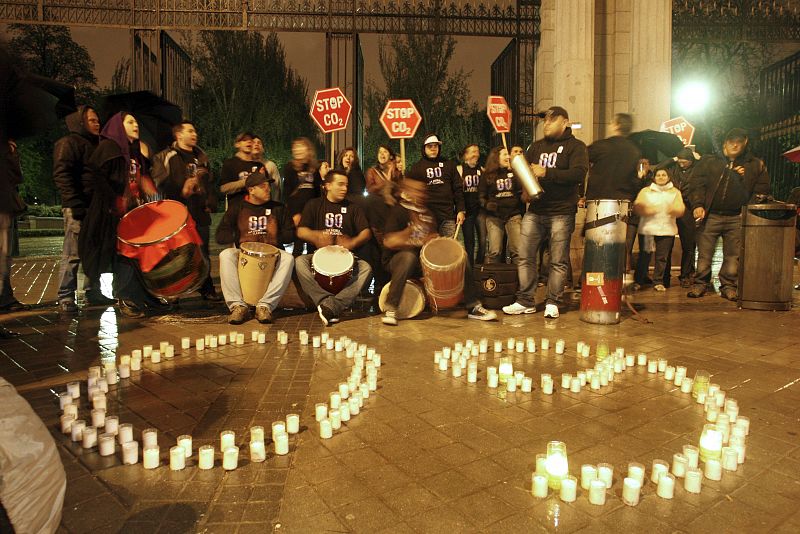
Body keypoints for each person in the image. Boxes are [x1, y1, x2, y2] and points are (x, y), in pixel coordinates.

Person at [503, 106, 589, 318]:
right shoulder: (536, 147)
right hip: (535, 210)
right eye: (545, 120)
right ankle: (525, 300)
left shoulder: (576, 146)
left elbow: (578, 174)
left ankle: (553, 301)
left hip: (561, 210)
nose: (547, 123)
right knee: (525, 256)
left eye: (552, 119)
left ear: (565, 122)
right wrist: (523, 189)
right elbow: (526, 174)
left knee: (558, 259)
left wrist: (547, 172)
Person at [79, 112, 164, 318]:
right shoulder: (109, 148)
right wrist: (113, 200)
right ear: (118, 125)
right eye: (130, 121)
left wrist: (154, 195)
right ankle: (126, 298)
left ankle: (143, 295)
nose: (136, 125)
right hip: (111, 213)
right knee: (124, 255)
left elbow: (142, 177)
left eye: (136, 121)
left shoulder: (134, 152)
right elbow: (95, 177)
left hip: (134, 212)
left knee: (139, 253)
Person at [380, 178, 497, 325]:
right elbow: (389, 241)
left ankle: (473, 306)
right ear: (407, 192)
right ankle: (391, 308)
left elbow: (432, 240)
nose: (421, 194)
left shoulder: (428, 213)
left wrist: (436, 241)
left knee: (461, 256)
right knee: (408, 257)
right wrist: (411, 236)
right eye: (416, 190)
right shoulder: (399, 211)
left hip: (422, 263)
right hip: (397, 261)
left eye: (423, 191)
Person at [688, 128, 770, 300]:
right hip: (711, 215)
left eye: (739, 141)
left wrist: (747, 210)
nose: (735, 144)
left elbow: (761, 190)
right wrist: (698, 204)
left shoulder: (755, 164)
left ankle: (728, 285)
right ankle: (700, 284)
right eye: (732, 140)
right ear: (725, 142)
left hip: (736, 216)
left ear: (745, 143)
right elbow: (696, 184)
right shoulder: (709, 161)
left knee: (733, 256)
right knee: (704, 254)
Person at [151, 120, 221, 301]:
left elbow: (210, 183)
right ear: (178, 134)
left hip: (199, 213)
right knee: (177, 254)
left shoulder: (202, 157)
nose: (194, 134)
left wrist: (210, 201)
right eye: (190, 131)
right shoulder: (166, 156)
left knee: (202, 252)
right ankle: (175, 293)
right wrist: (181, 190)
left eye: (195, 131)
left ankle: (206, 288)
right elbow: (159, 184)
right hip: (177, 215)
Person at [52, 105, 113, 313]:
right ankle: (65, 296)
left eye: (98, 120)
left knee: (92, 252)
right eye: (92, 120)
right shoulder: (68, 143)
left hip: (95, 208)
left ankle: (92, 291)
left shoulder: (98, 145)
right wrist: (74, 203)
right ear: (80, 122)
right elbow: (62, 175)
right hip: (78, 206)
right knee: (73, 253)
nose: (97, 123)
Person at [216, 172, 295, 324]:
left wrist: (274, 234)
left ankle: (265, 306)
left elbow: (291, 235)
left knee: (288, 258)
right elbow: (221, 235)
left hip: (272, 254)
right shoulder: (237, 208)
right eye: (263, 187)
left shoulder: (278, 208)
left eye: (268, 187)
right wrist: (241, 238)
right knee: (226, 255)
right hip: (245, 254)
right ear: (251, 190)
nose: (268, 190)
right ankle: (237, 306)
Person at [295, 170, 372, 325]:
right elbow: (301, 231)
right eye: (340, 184)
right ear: (328, 185)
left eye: (346, 185)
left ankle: (333, 305)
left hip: (345, 257)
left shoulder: (353, 208)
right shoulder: (314, 204)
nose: (344, 188)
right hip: (318, 256)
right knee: (299, 262)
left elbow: (366, 232)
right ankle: (326, 300)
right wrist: (316, 236)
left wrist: (352, 242)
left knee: (366, 268)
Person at [633, 168, 685, 291]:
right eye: (658, 175)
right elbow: (638, 205)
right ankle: (639, 280)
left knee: (662, 258)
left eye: (664, 175)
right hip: (648, 230)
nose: (661, 177)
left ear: (668, 177)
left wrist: (674, 209)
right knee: (645, 256)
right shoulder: (646, 191)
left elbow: (680, 208)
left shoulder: (675, 192)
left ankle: (658, 281)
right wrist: (646, 209)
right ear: (654, 177)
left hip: (666, 230)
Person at [406, 133, 465, 239]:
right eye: (430, 146)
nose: (433, 148)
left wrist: (460, 210)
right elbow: (410, 189)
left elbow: (457, 188)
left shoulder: (449, 164)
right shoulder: (417, 168)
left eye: (436, 146)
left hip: (447, 215)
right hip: (426, 217)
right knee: (429, 249)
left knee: (448, 249)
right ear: (424, 148)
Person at [655, 147, 699, 287]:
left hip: (688, 209)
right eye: (679, 161)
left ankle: (685, 275)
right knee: (666, 245)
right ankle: (664, 278)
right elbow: (659, 167)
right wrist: (674, 158)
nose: (681, 164)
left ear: (691, 161)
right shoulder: (673, 168)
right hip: (672, 209)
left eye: (684, 162)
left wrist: (699, 158)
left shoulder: (697, 170)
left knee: (688, 244)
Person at [282, 137, 329, 256]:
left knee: (312, 246)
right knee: (298, 245)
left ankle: (312, 272)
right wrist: (293, 214)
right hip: (297, 212)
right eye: (295, 147)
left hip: (312, 211)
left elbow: (317, 192)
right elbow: (287, 193)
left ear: (308, 150)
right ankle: (295, 273)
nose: (298, 150)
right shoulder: (290, 168)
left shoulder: (313, 168)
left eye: (301, 147)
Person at [480, 146, 523, 263]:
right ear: (496, 157)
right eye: (504, 154)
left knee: (518, 251)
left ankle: (518, 280)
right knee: (495, 251)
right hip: (494, 216)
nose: (508, 156)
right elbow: (481, 196)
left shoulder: (514, 173)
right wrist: (487, 204)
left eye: (508, 154)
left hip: (513, 215)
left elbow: (521, 192)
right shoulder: (487, 175)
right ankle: (492, 279)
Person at [458, 144, 486, 265]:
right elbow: (457, 191)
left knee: (483, 240)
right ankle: (470, 267)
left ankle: (480, 265)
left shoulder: (482, 170)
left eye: (477, 151)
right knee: (469, 242)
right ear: (466, 155)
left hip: (480, 210)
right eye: (473, 151)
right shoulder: (460, 169)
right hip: (467, 210)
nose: (476, 154)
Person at [219, 132, 264, 205]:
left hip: (256, 210)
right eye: (244, 140)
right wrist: (247, 181)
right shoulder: (230, 163)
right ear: (237, 144)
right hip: (237, 210)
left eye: (251, 140)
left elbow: (266, 189)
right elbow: (223, 188)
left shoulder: (259, 165)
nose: (249, 142)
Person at [251, 135, 282, 202]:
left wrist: (275, 206)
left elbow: (276, 188)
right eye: (253, 142)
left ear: (263, 149)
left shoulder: (270, 165)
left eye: (259, 143)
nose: (256, 144)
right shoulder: (243, 164)